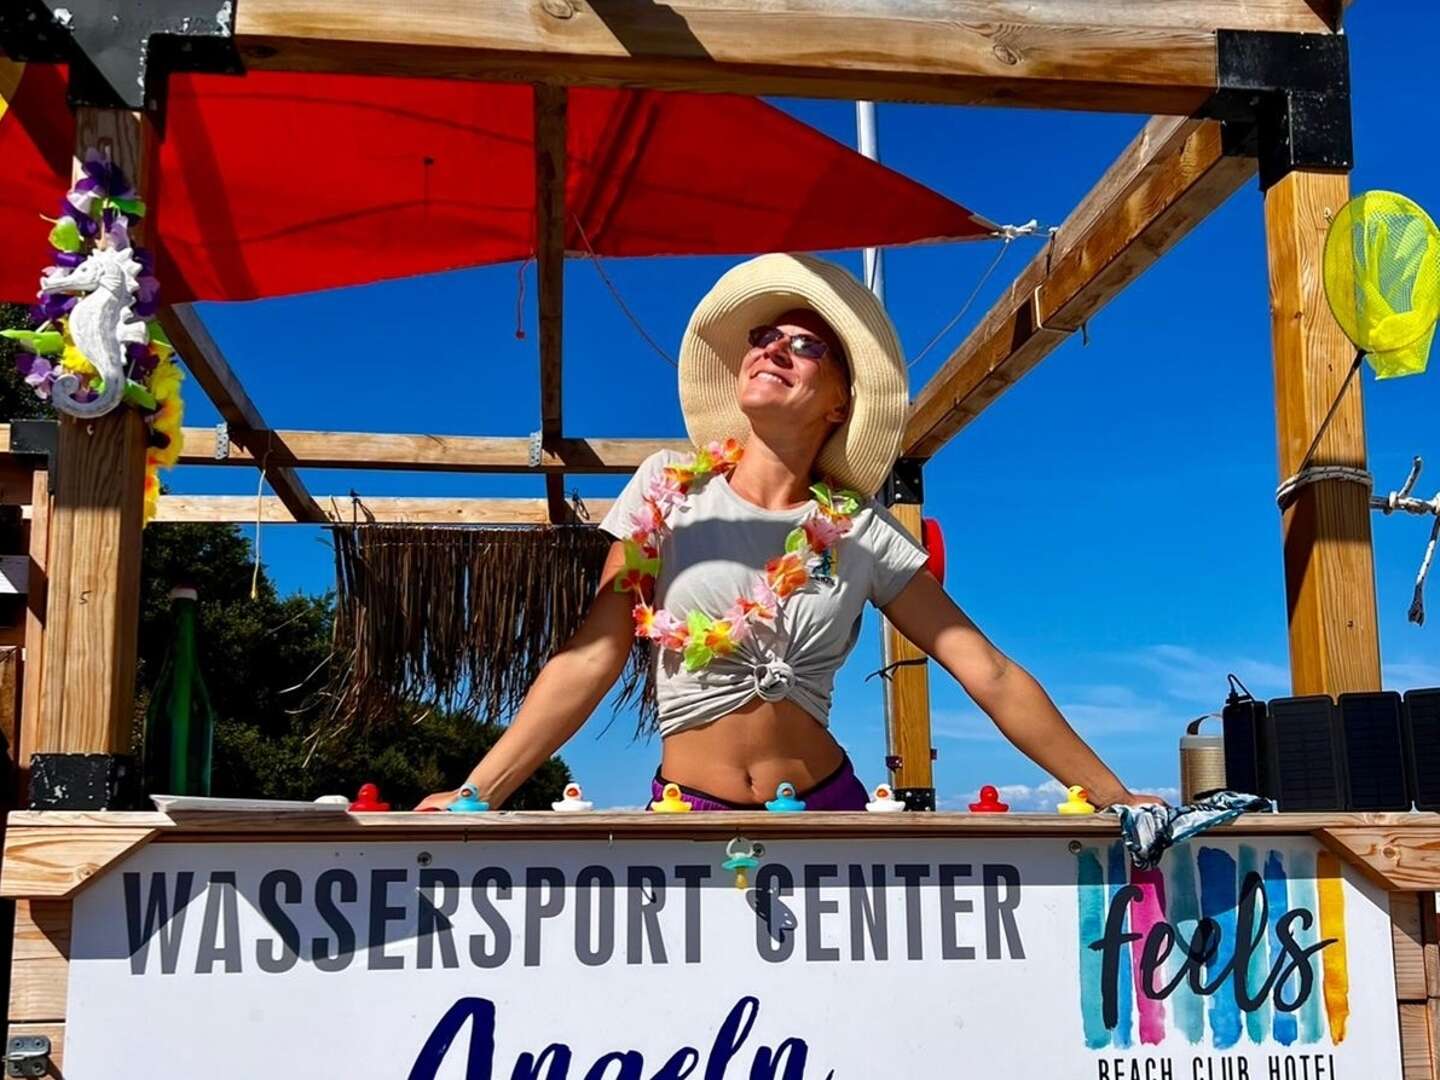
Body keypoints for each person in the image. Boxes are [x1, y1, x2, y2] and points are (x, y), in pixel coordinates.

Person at [418, 254, 1162, 811]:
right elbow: (592, 654)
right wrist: (477, 793)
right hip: (688, 814)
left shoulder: (860, 530)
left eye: (804, 346)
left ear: (839, 402)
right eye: (764, 336)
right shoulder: (666, 488)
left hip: (826, 814)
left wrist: (1115, 796)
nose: (772, 348)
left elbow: (987, 672)